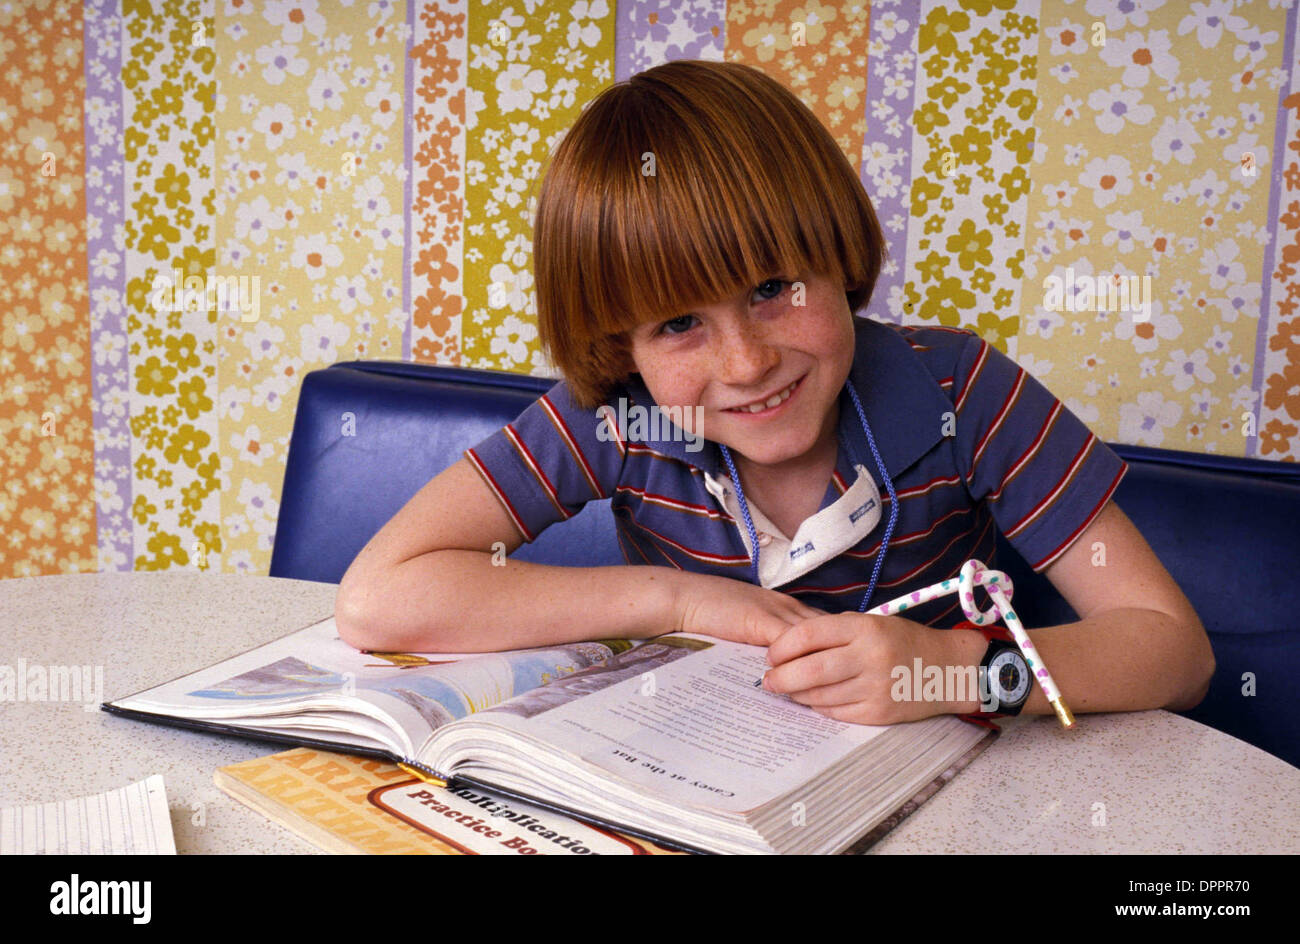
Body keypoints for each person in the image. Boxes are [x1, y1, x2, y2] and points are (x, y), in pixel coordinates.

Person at [335, 60, 1213, 727]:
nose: (748, 362)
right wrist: (677, 599)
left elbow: (1170, 645)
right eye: (678, 323)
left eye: (772, 289)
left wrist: (945, 672)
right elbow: (380, 597)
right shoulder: (621, 412)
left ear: (838, 255)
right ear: (621, 349)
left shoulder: (963, 390)